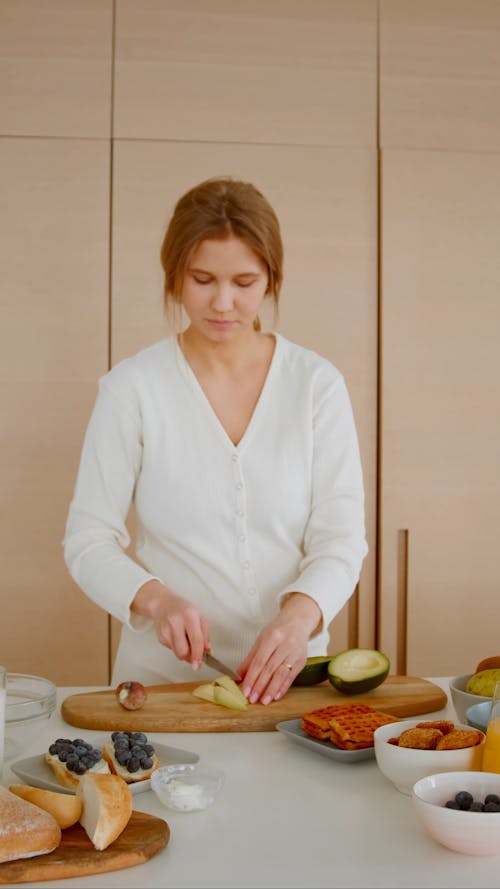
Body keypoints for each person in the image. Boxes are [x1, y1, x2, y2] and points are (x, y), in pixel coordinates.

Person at [63, 176, 368, 705]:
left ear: (271, 279)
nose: (223, 303)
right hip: (163, 684)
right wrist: (156, 601)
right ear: (174, 275)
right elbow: (88, 540)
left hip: (293, 675)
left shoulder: (316, 385)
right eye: (202, 279)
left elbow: (341, 539)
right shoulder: (132, 389)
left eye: (245, 282)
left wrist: (298, 618)